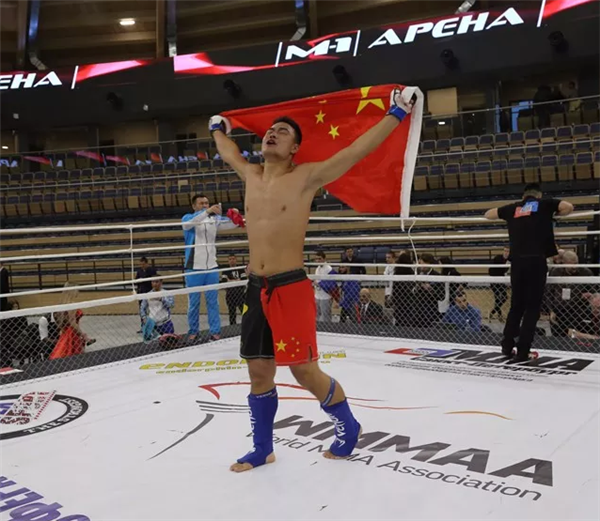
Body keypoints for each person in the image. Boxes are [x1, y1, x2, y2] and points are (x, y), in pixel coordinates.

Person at [209, 86, 416, 471]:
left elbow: (355, 151)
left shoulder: (306, 177)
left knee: (303, 370)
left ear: (295, 149)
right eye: (270, 130)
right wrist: (217, 127)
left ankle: (348, 425)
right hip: (256, 287)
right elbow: (228, 151)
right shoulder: (251, 174)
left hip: (290, 287)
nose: (272, 134)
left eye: (283, 132)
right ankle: (262, 448)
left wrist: (397, 113)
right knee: (258, 371)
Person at [485, 183, 574, 362]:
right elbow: (568, 207)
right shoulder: (545, 204)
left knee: (516, 306)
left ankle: (507, 345)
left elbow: (488, 214)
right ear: (539, 195)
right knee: (533, 308)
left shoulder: (513, 208)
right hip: (536, 261)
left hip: (517, 262)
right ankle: (523, 350)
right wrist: (553, 214)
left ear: (523, 196)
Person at [182, 194, 244, 341]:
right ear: (194, 206)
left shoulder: (213, 219)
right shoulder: (187, 217)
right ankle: (193, 332)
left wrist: (235, 214)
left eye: (207, 203)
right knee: (194, 303)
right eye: (201, 203)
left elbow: (232, 224)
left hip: (212, 267)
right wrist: (208, 211)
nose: (205, 205)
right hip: (194, 268)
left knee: (213, 302)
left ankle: (215, 332)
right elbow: (187, 225)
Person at [50, 284, 94, 360]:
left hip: (65, 331)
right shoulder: (72, 304)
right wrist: (82, 334)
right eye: (77, 290)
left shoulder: (63, 303)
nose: (78, 292)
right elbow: (72, 322)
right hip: (72, 333)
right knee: (72, 353)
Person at [221, 254, 247, 325]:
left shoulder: (240, 269)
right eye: (230, 259)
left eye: (233, 259)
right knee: (232, 313)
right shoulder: (226, 270)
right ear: (228, 261)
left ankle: (247, 325)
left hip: (240, 294)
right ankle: (232, 326)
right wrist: (237, 280)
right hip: (230, 294)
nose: (232, 260)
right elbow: (224, 281)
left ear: (236, 260)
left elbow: (244, 279)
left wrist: (230, 280)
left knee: (244, 312)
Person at [135, 257, 157, 331]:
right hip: (141, 292)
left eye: (143, 264)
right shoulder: (139, 271)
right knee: (142, 309)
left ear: (147, 263)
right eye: (141, 264)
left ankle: (153, 326)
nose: (142, 266)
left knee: (152, 309)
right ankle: (143, 326)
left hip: (149, 292)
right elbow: (136, 280)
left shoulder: (152, 270)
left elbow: (154, 280)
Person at [314, 250, 336, 323]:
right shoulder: (317, 268)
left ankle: (327, 329)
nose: (318, 261)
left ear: (324, 259)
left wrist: (319, 284)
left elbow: (332, 285)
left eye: (319, 259)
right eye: (316, 259)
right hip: (317, 296)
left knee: (325, 317)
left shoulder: (329, 269)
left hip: (325, 296)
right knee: (317, 315)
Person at [489, 247, 510, 321]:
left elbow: (505, 271)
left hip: (501, 281)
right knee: (497, 298)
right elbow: (493, 269)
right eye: (505, 251)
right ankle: (499, 315)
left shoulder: (509, 260)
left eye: (508, 251)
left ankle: (493, 312)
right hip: (494, 280)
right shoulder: (498, 258)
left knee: (504, 297)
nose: (506, 252)